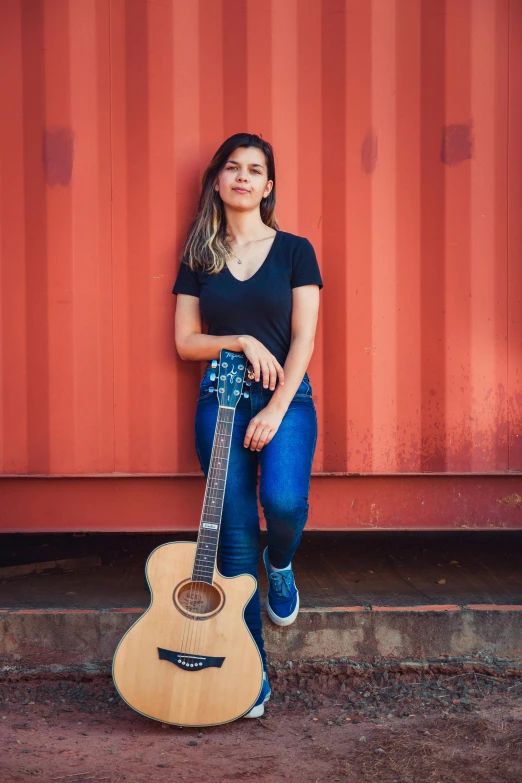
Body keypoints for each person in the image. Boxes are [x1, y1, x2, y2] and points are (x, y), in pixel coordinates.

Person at [172, 132, 323, 718]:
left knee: (283, 504)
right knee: (233, 538)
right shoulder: (199, 257)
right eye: (231, 168)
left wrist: (278, 406)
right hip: (220, 398)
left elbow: (305, 338)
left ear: (268, 186)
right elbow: (185, 342)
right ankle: (249, 674)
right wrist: (237, 339)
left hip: (286, 398)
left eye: (254, 170)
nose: (242, 177)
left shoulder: (295, 251)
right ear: (217, 182)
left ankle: (280, 564)